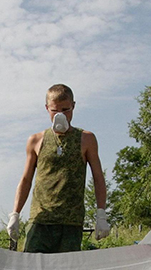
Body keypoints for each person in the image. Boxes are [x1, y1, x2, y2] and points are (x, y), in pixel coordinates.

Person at [7, 84, 109, 252]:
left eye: (65, 109)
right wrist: (15, 214)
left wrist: (101, 214)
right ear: (47, 108)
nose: (60, 115)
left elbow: (98, 177)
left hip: (70, 223)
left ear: (73, 106)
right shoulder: (36, 140)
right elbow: (26, 179)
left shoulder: (86, 139)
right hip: (40, 220)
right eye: (54, 111)